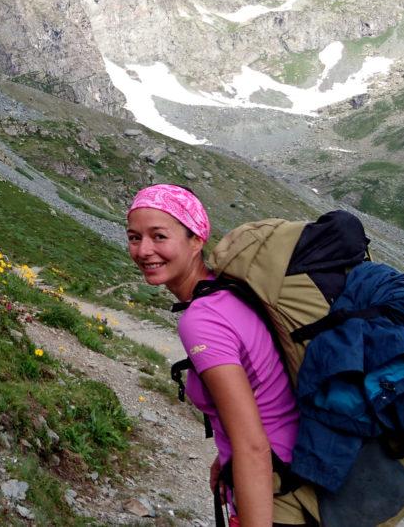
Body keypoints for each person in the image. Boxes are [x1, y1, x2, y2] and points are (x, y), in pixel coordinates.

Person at [126, 184, 309, 527]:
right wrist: (226, 457)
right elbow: (264, 393)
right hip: (296, 471)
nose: (144, 250)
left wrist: (239, 458)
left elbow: (253, 448)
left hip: (278, 494)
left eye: (159, 236)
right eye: (134, 237)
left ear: (197, 240)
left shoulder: (202, 321)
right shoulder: (228, 293)